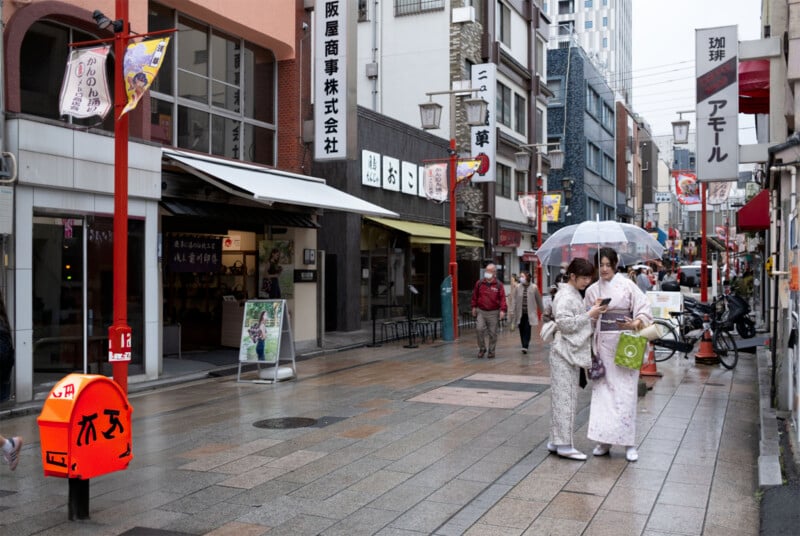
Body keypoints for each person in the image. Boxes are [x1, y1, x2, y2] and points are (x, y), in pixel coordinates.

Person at [585, 247, 654, 462]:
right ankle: (603, 440)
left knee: (626, 394)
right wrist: (594, 313)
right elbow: (587, 321)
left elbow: (644, 308)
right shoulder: (592, 291)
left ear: (615, 264)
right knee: (603, 395)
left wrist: (635, 322)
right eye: (601, 265)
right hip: (603, 345)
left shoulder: (628, 286)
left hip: (625, 343)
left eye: (608, 264)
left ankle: (629, 443)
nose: (604, 269)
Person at [546, 258, 608, 460]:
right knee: (565, 398)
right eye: (583, 277)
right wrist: (589, 313)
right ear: (572, 276)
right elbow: (565, 324)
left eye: (589, 277)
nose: (587, 282)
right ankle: (563, 444)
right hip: (564, 352)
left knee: (563, 398)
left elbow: (576, 322)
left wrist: (593, 311)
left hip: (565, 352)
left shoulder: (571, 294)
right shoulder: (566, 296)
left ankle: (557, 440)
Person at [471, 263, 507, 359]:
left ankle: (491, 351)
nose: (487, 273)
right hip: (481, 311)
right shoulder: (479, 283)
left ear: (494, 273)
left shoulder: (499, 285)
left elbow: (503, 298)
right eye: (486, 271)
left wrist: (503, 310)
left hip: (493, 312)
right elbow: (474, 296)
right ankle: (482, 348)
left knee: (492, 333)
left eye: (489, 271)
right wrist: (474, 307)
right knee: (479, 329)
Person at [511, 271, 543, 354]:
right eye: (520, 276)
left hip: (530, 313)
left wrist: (543, 312)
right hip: (520, 313)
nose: (520, 278)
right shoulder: (518, 287)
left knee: (527, 329)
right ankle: (523, 344)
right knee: (521, 329)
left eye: (522, 276)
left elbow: (539, 300)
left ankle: (525, 346)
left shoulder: (534, 287)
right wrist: (512, 310)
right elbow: (514, 299)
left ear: (527, 277)